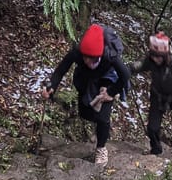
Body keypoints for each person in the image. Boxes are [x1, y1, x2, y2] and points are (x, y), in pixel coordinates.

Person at [41, 23, 130, 167]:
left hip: (107, 79)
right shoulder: (77, 52)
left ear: (99, 55)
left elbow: (125, 75)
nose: (88, 61)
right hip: (85, 78)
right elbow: (61, 70)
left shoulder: (109, 55)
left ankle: (101, 148)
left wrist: (111, 92)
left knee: (102, 116)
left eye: (92, 59)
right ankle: (100, 127)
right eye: (85, 58)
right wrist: (52, 87)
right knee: (85, 112)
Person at [129, 32, 172, 157]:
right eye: (154, 56)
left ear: (165, 55)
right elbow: (140, 65)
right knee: (152, 127)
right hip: (159, 95)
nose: (156, 59)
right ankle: (156, 150)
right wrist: (130, 69)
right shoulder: (151, 59)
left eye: (158, 57)